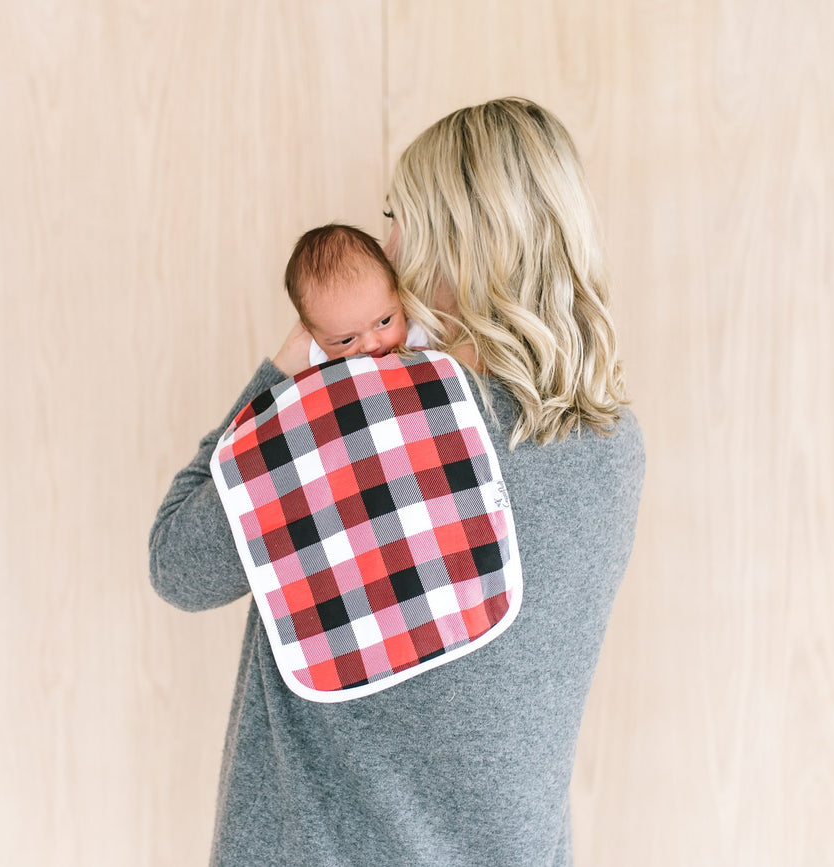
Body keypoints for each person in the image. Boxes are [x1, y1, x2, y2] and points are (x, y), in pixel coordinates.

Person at [149, 97, 644, 865]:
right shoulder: (614, 442)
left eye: (396, 215)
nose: (384, 242)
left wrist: (291, 365)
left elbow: (178, 561)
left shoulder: (353, 422)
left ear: (452, 245)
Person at [283, 223, 428, 365]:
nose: (371, 345)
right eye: (347, 340)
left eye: (384, 322)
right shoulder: (314, 363)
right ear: (311, 333)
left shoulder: (420, 337)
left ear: (398, 292)